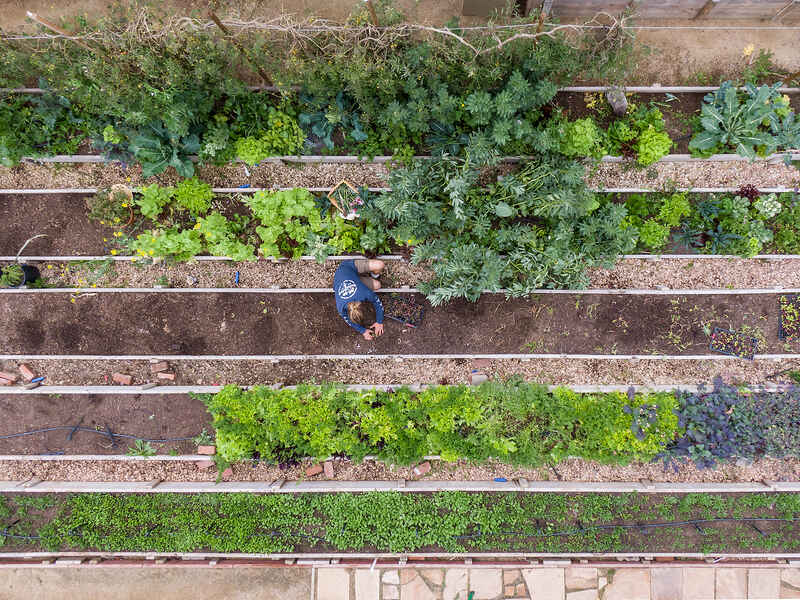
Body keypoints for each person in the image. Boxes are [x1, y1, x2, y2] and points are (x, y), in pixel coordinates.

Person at [334, 259, 385, 340]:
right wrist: (363, 331)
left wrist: (379, 321)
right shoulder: (341, 308)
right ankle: (363, 277)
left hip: (348, 267)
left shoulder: (364, 293)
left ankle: (372, 275)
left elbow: (377, 302)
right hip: (348, 278)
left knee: (380, 265)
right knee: (377, 285)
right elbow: (348, 320)